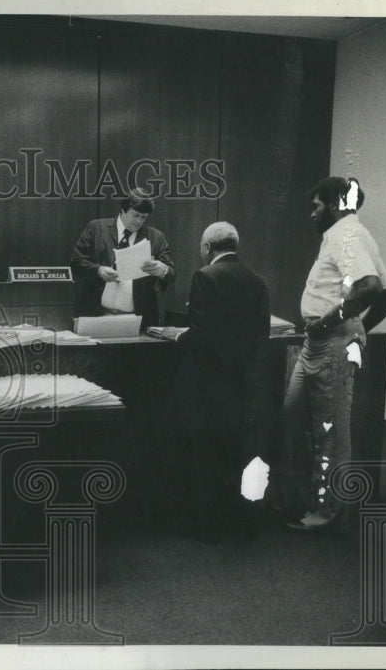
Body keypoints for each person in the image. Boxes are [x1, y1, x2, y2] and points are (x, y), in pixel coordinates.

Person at [280, 177, 386, 531]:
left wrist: (336, 323)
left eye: (315, 206)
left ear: (334, 205)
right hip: (316, 343)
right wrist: (358, 325)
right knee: (292, 415)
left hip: (328, 341)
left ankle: (328, 513)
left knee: (331, 432)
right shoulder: (346, 235)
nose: (311, 214)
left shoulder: (347, 235)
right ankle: (303, 497)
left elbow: (372, 288)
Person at [165, 222, 270, 542]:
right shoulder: (257, 280)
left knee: (202, 451)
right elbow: (261, 333)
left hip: (205, 379)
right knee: (230, 450)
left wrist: (178, 335)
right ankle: (233, 520)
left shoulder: (205, 276)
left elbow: (201, 335)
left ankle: (205, 524)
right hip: (238, 379)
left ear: (207, 247)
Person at [70, 187, 176, 329]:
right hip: (97, 314)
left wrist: (163, 270)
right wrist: (99, 271)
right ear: (123, 209)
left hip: (138, 318)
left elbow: (172, 274)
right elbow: (76, 262)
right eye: (136, 215)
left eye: (144, 217)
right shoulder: (96, 229)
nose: (139, 221)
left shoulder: (156, 237)